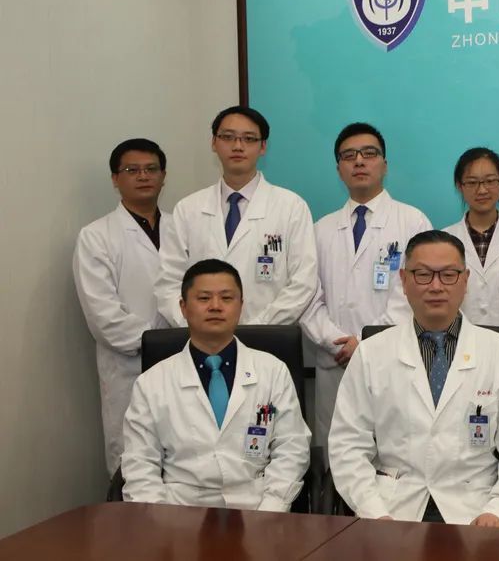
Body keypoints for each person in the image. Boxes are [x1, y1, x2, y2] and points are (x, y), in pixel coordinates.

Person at [329, 231, 499, 525]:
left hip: (477, 507)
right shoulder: (370, 354)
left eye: (448, 275)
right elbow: (347, 445)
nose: (435, 286)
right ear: (403, 280)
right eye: (423, 275)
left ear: (465, 280)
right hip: (392, 507)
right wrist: (373, 511)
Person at [122, 259, 310, 510]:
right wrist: (160, 520)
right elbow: (140, 463)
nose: (215, 306)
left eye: (226, 298)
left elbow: (292, 448)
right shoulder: (151, 383)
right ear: (183, 307)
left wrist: (271, 509)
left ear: (241, 306)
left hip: (257, 507)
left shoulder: (273, 371)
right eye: (203, 298)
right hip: (179, 511)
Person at [300, 123, 432, 445]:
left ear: (384, 164)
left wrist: (366, 342)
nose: (359, 161)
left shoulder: (412, 221)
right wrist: (336, 342)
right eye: (349, 156)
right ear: (339, 169)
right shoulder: (320, 229)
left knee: (393, 453)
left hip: (392, 358)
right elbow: (307, 296)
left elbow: (418, 291)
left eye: (369, 153)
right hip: (335, 361)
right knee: (336, 455)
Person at [155, 105, 317, 328]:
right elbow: (169, 282)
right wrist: (197, 327)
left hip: (268, 338)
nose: (238, 146)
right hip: (201, 337)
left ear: (263, 146)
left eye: (249, 139)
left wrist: (256, 328)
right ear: (214, 142)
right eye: (228, 137)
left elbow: (303, 282)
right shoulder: (188, 209)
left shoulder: (291, 207)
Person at [73, 138, 172, 476]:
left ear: (163, 176)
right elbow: (104, 317)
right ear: (116, 179)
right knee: (134, 466)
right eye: (132, 170)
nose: (143, 176)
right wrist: (163, 343)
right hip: (130, 368)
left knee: (187, 464)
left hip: (188, 362)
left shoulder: (183, 228)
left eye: (151, 169)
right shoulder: (96, 236)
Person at [442, 148, 499, 368]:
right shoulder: (444, 241)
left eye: (490, 181)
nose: (482, 189)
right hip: (458, 348)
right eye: (472, 182)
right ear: (459, 186)